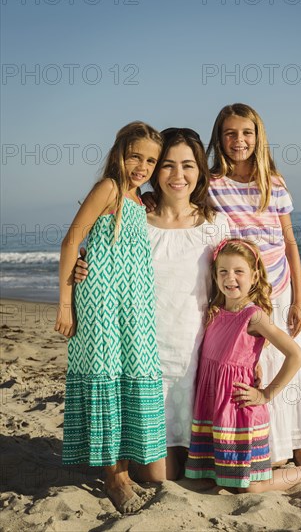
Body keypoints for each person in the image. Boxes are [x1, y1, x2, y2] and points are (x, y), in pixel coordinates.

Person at [74, 128, 230, 480]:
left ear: (200, 172)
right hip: (141, 353)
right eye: (168, 165)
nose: (178, 176)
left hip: (194, 357)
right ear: (154, 171)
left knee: (203, 471)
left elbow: (234, 293)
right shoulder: (133, 215)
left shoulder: (215, 225)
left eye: (188, 165)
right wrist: (86, 262)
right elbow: (96, 245)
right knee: (156, 476)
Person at [55, 121, 167, 514]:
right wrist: (66, 304)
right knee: (104, 377)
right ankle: (113, 476)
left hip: (134, 305)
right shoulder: (108, 188)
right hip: (101, 300)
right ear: (120, 152)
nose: (142, 165)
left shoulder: (139, 198)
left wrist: (149, 194)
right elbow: (72, 241)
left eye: (151, 160)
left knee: (128, 378)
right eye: (136, 155)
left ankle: (123, 465)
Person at [207, 103, 301, 466]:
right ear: (219, 139)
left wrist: (299, 298)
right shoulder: (211, 185)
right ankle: (272, 445)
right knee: (257, 365)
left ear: (258, 136)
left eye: (247, 133)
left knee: (291, 363)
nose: (239, 140)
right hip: (242, 292)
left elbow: (290, 243)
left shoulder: (273, 181)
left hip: (280, 286)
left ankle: (300, 445)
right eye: (231, 133)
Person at [185, 239, 301, 492]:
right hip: (212, 407)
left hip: (240, 411)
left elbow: (296, 355)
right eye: (223, 272)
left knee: (251, 488)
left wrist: (266, 394)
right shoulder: (214, 310)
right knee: (210, 477)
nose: (230, 278)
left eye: (238, 271)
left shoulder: (253, 316)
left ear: (254, 276)